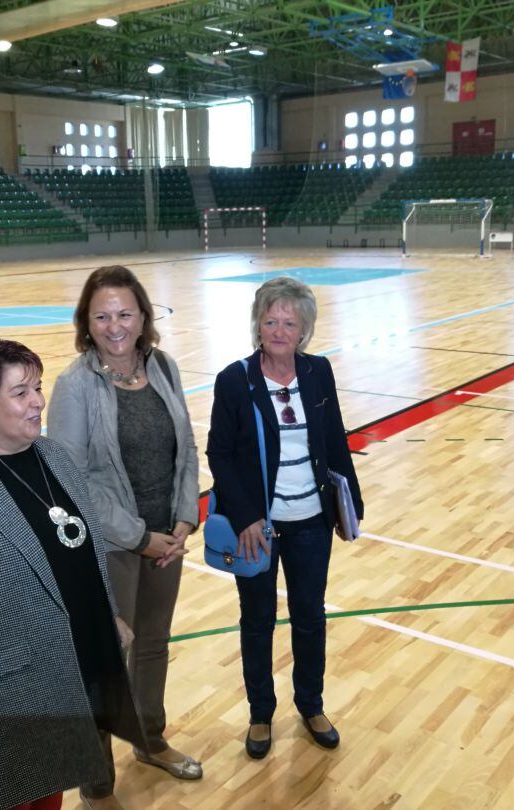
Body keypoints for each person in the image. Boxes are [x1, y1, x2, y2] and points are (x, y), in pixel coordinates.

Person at [0, 337, 144, 810]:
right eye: (20, 393)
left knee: (49, 787)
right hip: (7, 684)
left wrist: (107, 615)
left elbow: (82, 550)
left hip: (67, 662)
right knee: (8, 795)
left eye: (36, 387)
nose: (38, 401)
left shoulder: (53, 456)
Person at [48, 265, 203, 801]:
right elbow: (71, 481)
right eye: (102, 316)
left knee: (154, 643)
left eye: (124, 313)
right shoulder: (74, 386)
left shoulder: (164, 366)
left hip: (168, 536)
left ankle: (151, 739)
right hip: (111, 545)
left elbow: (186, 447)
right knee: (106, 655)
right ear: (86, 325)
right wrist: (139, 535)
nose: (115, 326)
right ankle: (97, 779)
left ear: (142, 318)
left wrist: (185, 518)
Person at [206, 275, 363, 760]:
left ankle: (310, 704)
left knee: (310, 617)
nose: (278, 330)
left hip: (312, 522)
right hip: (260, 527)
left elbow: (335, 439)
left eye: (288, 323)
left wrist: (349, 503)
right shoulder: (236, 380)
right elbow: (220, 453)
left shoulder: (318, 372)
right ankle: (260, 713)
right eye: (270, 320)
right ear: (258, 325)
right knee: (256, 620)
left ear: (304, 330)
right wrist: (249, 516)